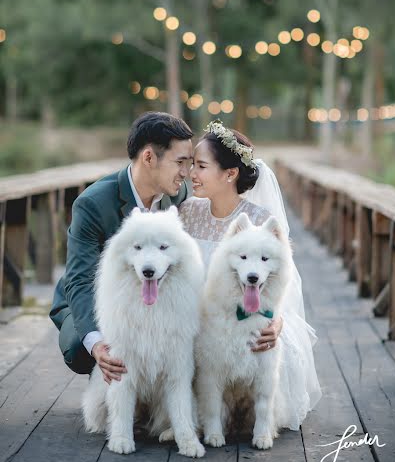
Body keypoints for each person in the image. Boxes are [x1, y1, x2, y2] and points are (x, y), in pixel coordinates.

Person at [179, 119, 322, 430]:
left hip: (247, 318)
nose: (192, 173)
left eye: (201, 166)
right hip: (198, 321)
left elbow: (284, 280)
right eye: (191, 164)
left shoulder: (260, 220)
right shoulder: (187, 212)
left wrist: (277, 320)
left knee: (261, 351)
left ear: (230, 174)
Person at [49, 111, 194, 383]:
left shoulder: (178, 195)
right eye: (181, 162)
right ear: (149, 157)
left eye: (191, 163)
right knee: (82, 348)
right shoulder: (92, 204)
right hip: (94, 296)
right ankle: (109, 380)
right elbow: (80, 279)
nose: (186, 173)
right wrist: (96, 344)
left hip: (155, 300)